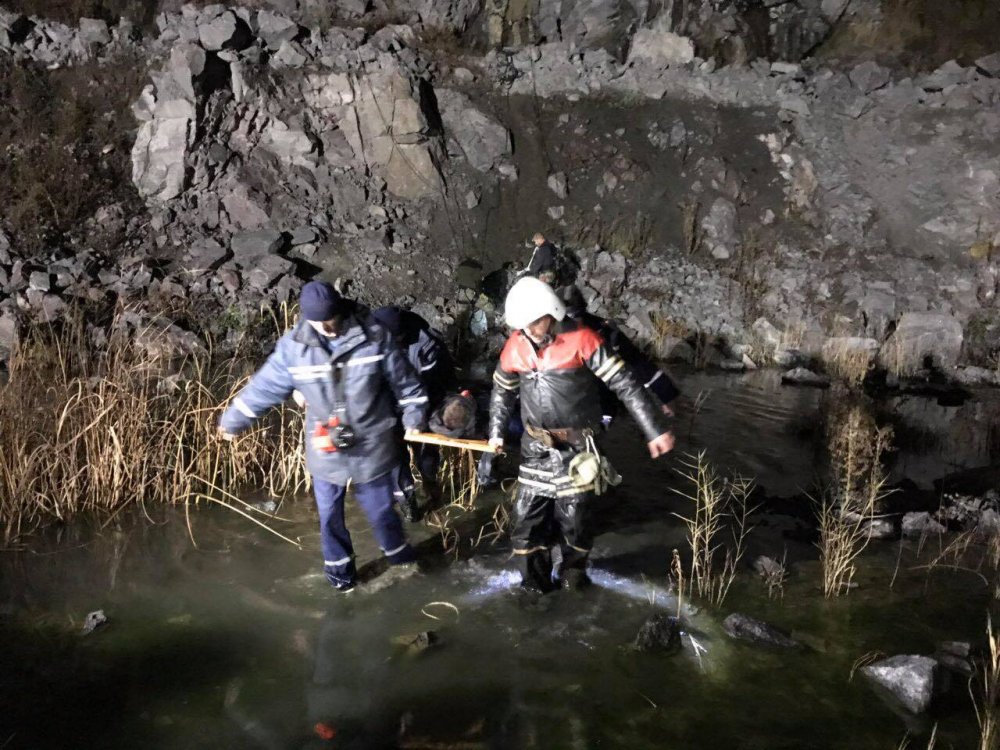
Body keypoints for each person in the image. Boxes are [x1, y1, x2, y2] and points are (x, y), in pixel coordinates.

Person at [218, 281, 429, 594]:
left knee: (381, 511)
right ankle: (341, 578)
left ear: (340, 310)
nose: (327, 329)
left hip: (371, 442)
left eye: (331, 320)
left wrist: (414, 417)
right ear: (307, 318)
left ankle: (402, 561)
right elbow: (265, 387)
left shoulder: (374, 336)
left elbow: (407, 383)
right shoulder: (294, 348)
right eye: (319, 323)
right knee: (329, 516)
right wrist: (233, 420)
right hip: (326, 446)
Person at [488, 277, 675, 593]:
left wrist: (654, 429)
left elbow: (625, 384)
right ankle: (533, 586)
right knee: (526, 522)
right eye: (524, 326)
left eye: (535, 322)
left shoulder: (583, 339)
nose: (530, 330)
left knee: (575, 520)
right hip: (535, 449)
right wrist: (495, 436)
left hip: (578, 448)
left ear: (552, 312)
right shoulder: (515, 346)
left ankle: (572, 576)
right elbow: (501, 393)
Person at [370, 306, 456, 521]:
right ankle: (407, 503)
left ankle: (431, 485)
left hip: (424, 404)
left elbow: (437, 385)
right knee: (395, 458)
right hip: (390, 407)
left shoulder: (428, 346)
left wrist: (416, 418)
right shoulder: (372, 342)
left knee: (426, 456)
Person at [563, 286, 680, 417]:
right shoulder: (550, 335)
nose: (573, 325)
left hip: (603, 397)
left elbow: (638, 362)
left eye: (575, 317)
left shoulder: (604, 330)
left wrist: (667, 396)